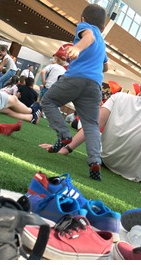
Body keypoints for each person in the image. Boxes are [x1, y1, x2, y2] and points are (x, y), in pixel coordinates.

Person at [41, 70, 141, 199]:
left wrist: (65, 149)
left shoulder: (119, 97)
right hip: (133, 174)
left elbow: (94, 125)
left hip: (106, 160)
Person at [41, 4, 109, 181]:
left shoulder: (86, 28)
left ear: (83, 19)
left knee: (48, 101)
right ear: (103, 27)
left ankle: (63, 134)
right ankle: (94, 161)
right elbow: (106, 66)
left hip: (75, 78)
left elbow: (89, 37)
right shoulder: (102, 42)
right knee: (91, 124)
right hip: (94, 85)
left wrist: (78, 48)